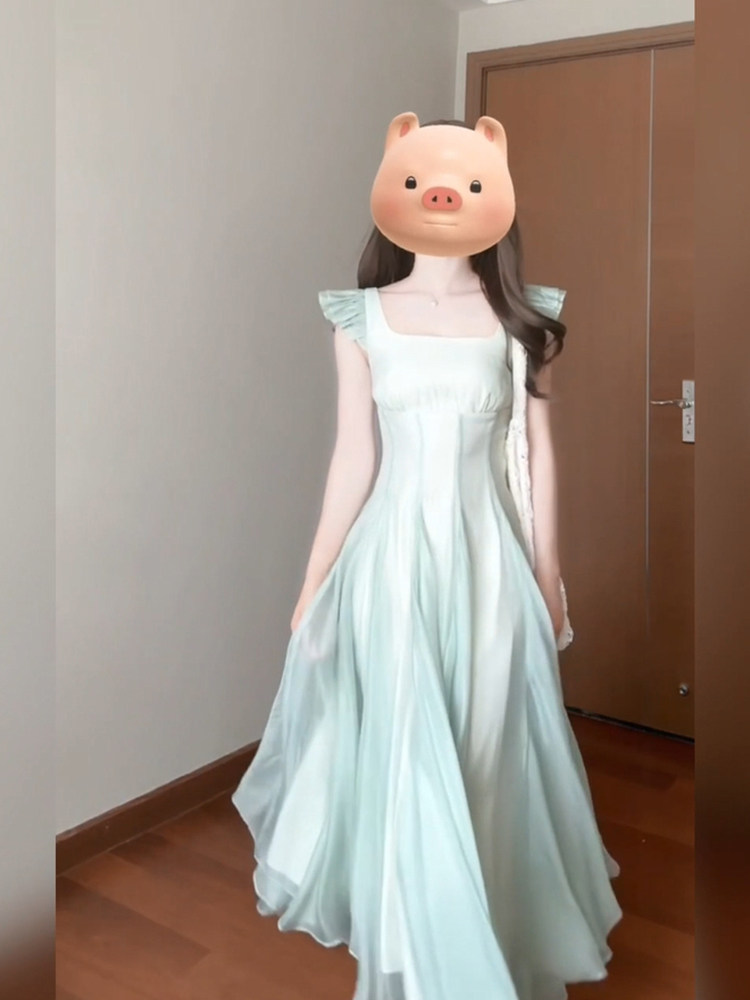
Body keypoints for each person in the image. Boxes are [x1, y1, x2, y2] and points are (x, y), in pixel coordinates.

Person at [232, 113, 622, 1000]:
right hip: (390, 567)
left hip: (490, 569)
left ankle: (479, 940)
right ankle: (419, 958)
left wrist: (549, 580)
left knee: (484, 754)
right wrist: (313, 584)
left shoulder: (520, 319)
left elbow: (537, 454)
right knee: (405, 754)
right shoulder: (360, 320)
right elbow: (354, 458)